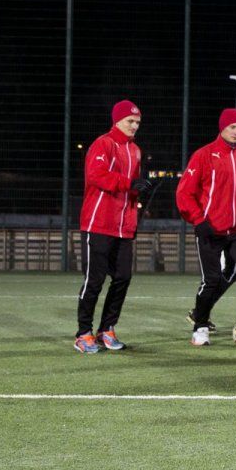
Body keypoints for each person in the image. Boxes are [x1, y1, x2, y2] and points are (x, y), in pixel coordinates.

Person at [176, 109, 236, 346]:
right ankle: (200, 326)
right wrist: (199, 220)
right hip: (211, 229)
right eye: (233, 128)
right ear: (222, 128)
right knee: (211, 280)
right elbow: (184, 193)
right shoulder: (203, 155)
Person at [75, 100, 153, 353]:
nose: (134, 126)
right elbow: (96, 175)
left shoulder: (136, 150)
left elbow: (130, 189)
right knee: (94, 281)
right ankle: (83, 333)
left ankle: (106, 329)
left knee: (122, 278)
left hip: (123, 228)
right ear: (117, 120)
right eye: (130, 121)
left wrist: (133, 215)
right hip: (98, 223)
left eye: (137, 122)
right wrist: (129, 183)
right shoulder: (103, 143)